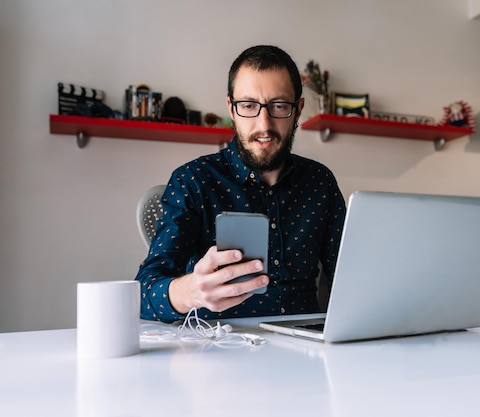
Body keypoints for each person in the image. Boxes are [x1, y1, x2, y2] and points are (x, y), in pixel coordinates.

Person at [136, 45, 346, 323]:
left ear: (298, 110)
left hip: (308, 348)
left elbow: (350, 277)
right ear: (231, 109)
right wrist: (188, 292)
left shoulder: (320, 182)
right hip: (221, 348)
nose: (264, 124)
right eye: (248, 106)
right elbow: (142, 292)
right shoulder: (193, 181)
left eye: (279, 106)